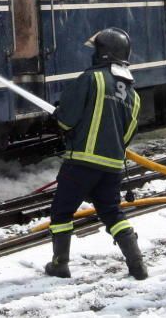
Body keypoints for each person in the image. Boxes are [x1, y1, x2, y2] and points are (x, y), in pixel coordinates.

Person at [44, 27, 147, 280]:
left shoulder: (92, 79)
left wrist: (59, 119)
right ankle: (137, 265)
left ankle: (60, 263)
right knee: (113, 213)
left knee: (61, 212)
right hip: (112, 167)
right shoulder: (133, 95)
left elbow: (67, 121)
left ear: (103, 53)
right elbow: (127, 136)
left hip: (81, 163)